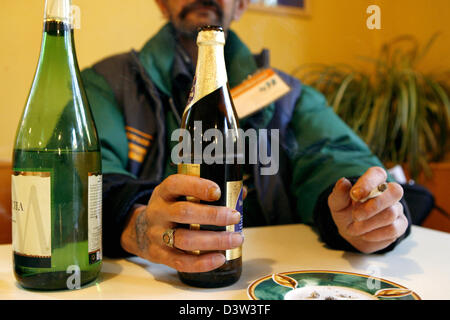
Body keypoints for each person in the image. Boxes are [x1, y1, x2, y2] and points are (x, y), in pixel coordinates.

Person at [80, 0, 411, 273]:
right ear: (161, 3)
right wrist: (136, 224)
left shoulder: (285, 96)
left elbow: (334, 155)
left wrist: (363, 212)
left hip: (269, 281)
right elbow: (80, 176)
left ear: (241, 5)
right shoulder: (106, 84)